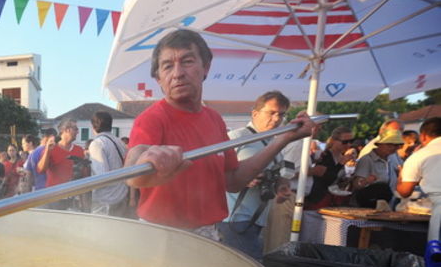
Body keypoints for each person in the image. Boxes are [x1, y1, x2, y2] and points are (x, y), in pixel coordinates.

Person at [124, 29, 315, 240]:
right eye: (167, 66)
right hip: (160, 236)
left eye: (187, 61)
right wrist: (145, 159)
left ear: (205, 67)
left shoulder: (214, 119)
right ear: (158, 78)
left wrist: (284, 138)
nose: (177, 73)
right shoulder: (152, 118)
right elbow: (133, 171)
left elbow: (233, 180)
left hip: (208, 234)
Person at [218, 91, 292, 259]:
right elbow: (214, 172)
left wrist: (281, 188)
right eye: (271, 113)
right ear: (255, 113)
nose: (276, 119)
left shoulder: (274, 143)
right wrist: (242, 179)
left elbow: (277, 177)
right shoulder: (237, 137)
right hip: (233, 219)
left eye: (281, 114)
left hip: (257, 219)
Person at [398, 118, 441, 240]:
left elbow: (404, 191)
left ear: (423, 136)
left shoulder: (420, 155)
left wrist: (400, 178)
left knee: (437, 255)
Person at [88, 111, 130, 217]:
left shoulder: (97, 144)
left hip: (106, 200)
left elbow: (101, 176)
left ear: (93, 126)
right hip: (121, 194)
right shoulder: (120, 142)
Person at [304, 127, 357, 210]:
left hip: (332, 200)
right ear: (334, 141)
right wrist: (340, 164)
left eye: (351, 141)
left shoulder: (340, 155)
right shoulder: (325, 156)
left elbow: (336, 181)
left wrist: (347, 180)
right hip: (319, 201)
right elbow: (326, 179)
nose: (349, 145)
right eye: (345, 142)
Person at [351, 129, 403, 207]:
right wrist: (366, 181)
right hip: (369, 205)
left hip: (388, 205)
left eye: (397, 145)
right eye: (390, 145)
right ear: (379, 144)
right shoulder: (367, 159)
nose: (394, 148)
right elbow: (356, 185)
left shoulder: (392, 158)